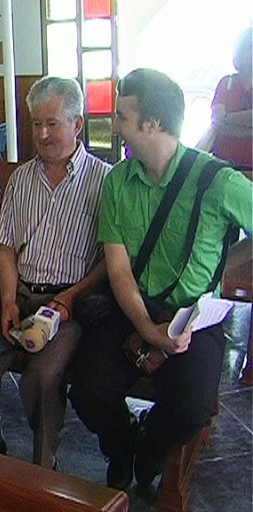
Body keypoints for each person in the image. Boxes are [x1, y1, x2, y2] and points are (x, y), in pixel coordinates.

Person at [68, 68, 253, 491]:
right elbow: (117, 269)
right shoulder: (118, 181)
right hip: (132, 307)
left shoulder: (218, 182)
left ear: (152, 124)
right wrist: (147, 328)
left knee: (192, 409)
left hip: (192, 318)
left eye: (122, 116)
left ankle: (150, 449)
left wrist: (225, 264)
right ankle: (121, 446)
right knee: (87, 391)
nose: (114, 125)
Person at [0, 77, 110, 468]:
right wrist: (8, 300)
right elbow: (5, 249)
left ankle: (44, 466)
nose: (42, 133)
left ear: (77, 124)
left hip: (69, 302)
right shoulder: (22, 178)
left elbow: (109, 260)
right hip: (20, 290)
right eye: (36, 123)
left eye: (52, 123)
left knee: (43, 376)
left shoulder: (105, 181)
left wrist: (68, 301)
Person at [207, 27, 252, 170]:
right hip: (222, 169)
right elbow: (217, 119)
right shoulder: (226, 83)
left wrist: (229, 120)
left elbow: (224, 120)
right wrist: (247, 128)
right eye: (249, 47)